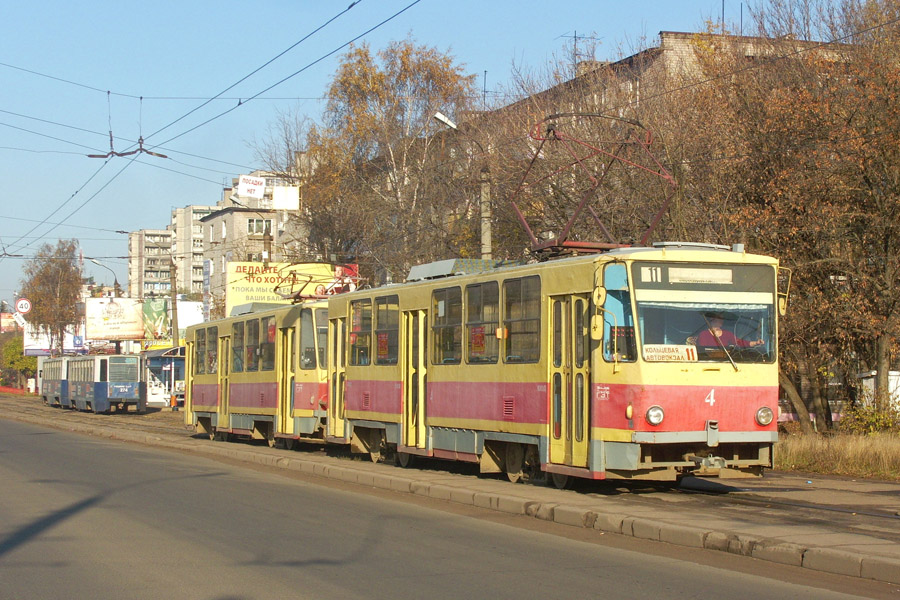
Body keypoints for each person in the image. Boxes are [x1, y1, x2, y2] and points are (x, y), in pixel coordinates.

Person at [690, 314, 763, 348]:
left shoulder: (727, 334)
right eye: (719, 319)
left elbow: (740, 342)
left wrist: (756, 342)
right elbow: (703, 350)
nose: (721, 321)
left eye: (722, 319)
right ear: (712, 320)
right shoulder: (703, 334)